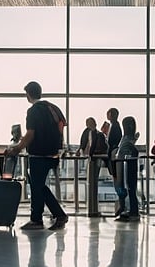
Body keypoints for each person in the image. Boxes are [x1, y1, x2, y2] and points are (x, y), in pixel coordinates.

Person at [6, 81, 69, 231]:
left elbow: (30, 134)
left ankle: (49, 217)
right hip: (53, 154)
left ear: (28, 94)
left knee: (37, 186)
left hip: (38, 155)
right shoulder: (54, 108)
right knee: (39, 186)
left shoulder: (33, 111)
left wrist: (17, 148)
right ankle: (39, 218)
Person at [80, 117, 107, 217]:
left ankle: (93, 209)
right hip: (90, 159)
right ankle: (92, 208)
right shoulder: (87, 132)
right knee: (91, 183)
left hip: (94, 159)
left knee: (93, 182)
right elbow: (83, 143)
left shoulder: (98, 134)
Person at [115, 116, 140, 222]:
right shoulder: (129, 139)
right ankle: (131, 210)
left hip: (125, 165)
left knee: (128, 188)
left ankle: (130, 211)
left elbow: (124, 152)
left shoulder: (127, 140)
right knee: (130, 188)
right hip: (127, 165)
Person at [105, 107, 124, 213]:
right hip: (113, 155)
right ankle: (122, 205)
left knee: (117, 181)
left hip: (114, 156)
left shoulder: (115, 126)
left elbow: (112, 142)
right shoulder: (114, 126)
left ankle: (122, 205)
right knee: (117, 180)